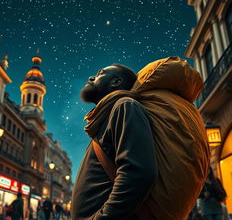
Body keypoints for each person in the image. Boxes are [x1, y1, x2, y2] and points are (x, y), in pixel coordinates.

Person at [72, 57, 210, 220]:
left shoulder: (124, 106)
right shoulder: (110, 114)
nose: (91, 77)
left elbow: (139, 174)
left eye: (100, 73)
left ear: (116, 81)